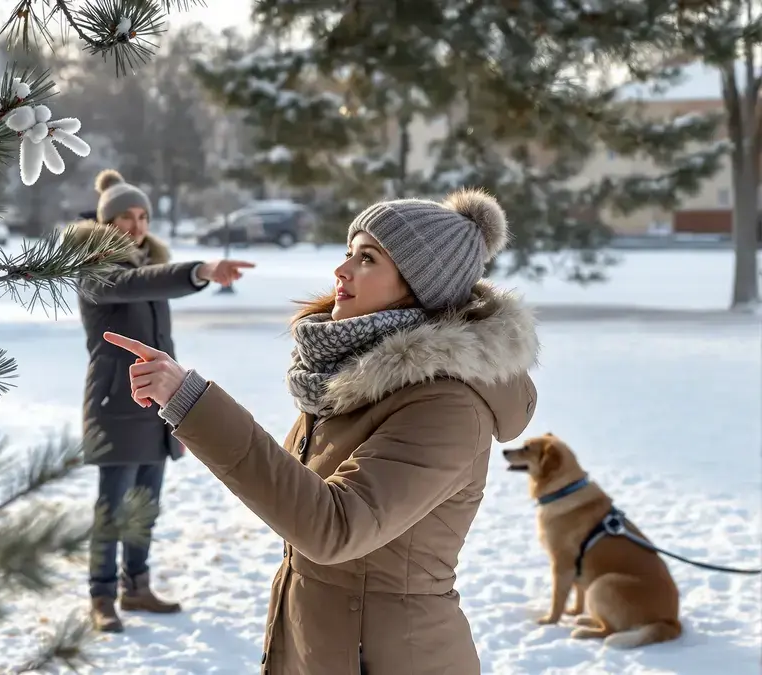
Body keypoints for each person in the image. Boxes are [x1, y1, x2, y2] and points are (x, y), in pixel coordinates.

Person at [103, 189, 540, 674]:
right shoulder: (351, 378)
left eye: (368, 258)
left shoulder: (446, 405)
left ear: (421, 287)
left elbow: (333, 528)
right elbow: (303, 492)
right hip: (322, 644)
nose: (342, 270)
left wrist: (197, 407)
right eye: (348, 252)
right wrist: (200, 425)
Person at [69, 169, 254, 634]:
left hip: (154, 406)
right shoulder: (96, 269)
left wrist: (178, 411)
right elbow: (138, 285)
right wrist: (199, 271)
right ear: (105, 221)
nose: (136, 225)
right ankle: (101, 595)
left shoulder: (145, 267)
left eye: (143, 216)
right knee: (112, 509)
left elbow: (160, 342)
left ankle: (137, 586)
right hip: (115, 405)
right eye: (126, 217)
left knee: (145, 505)